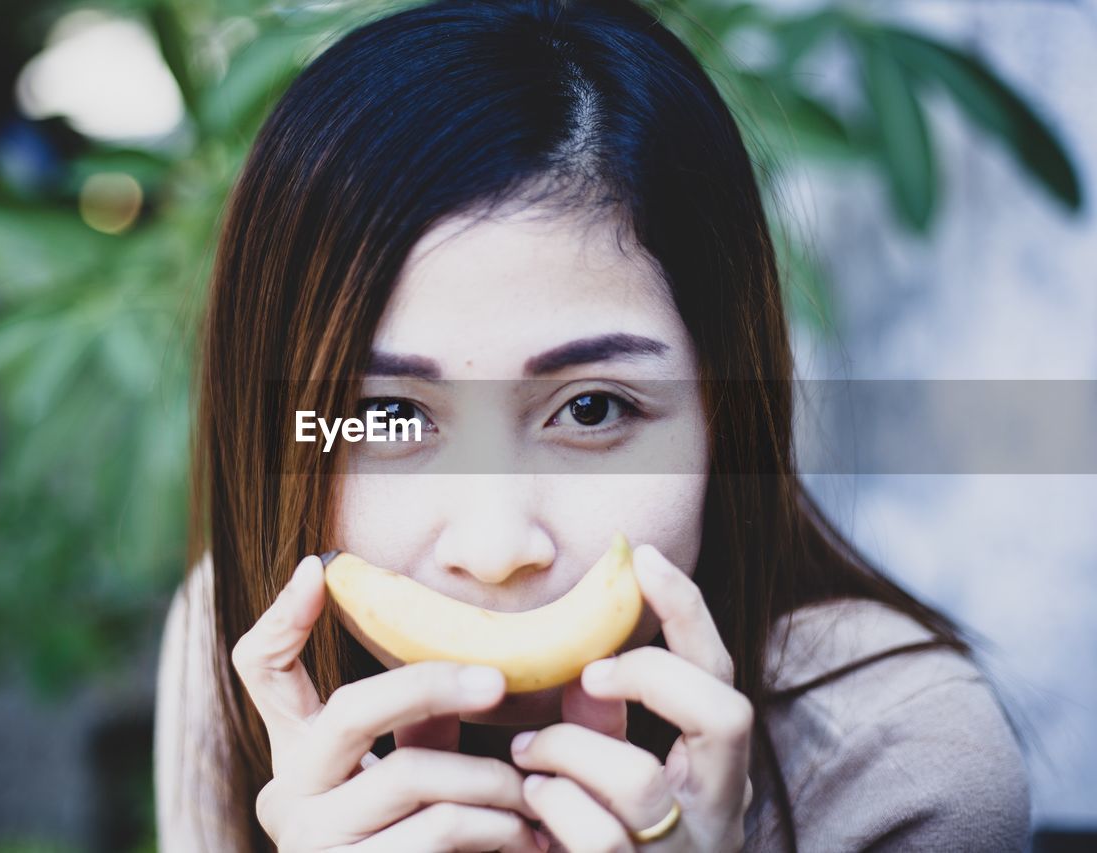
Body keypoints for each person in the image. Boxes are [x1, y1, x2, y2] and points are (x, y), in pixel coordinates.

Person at [153, 1, 1031, 850]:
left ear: (726, 420)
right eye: (388, 415)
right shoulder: (240, 651)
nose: (498, 549)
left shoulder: (904, 767)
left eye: (592, 408)